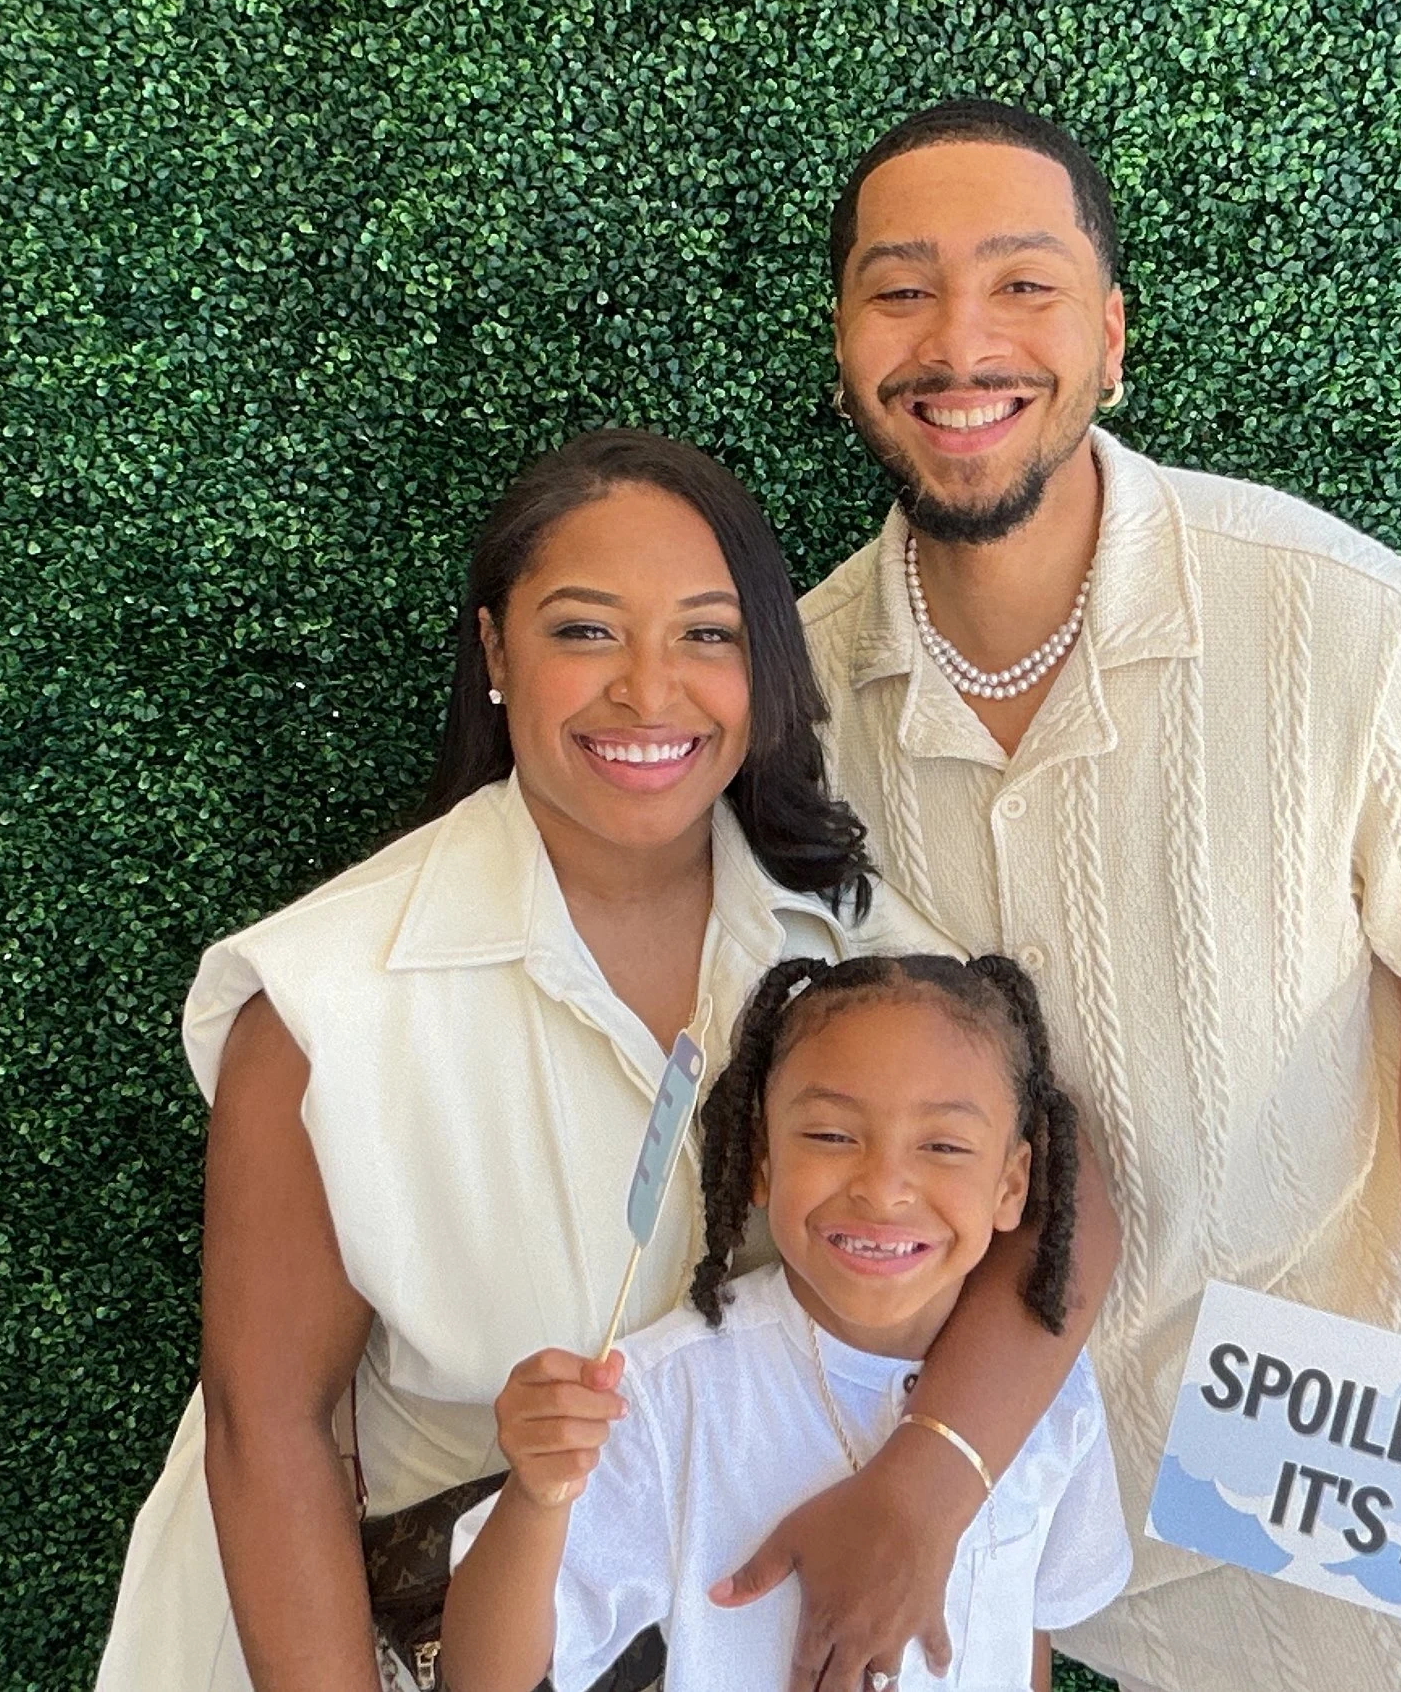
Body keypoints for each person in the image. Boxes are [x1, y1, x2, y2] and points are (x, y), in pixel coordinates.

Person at [745, 97, 1401, 1692]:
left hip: (1310, 1433)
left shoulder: (1336, 615)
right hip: (948, 1443)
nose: (961, 339)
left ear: (1111, 337)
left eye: (1023, 285)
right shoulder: (791, 697)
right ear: (844, 349)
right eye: (901, 289)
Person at [93, 428, 1115, 1692]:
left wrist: (932, 1481)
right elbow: (270, 1430)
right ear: (494, 655)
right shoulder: (328, 1003)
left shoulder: (850, 948)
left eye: (708, 634)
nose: (649, 690)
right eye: (585, 632)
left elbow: (1063, 1204)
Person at [439, 953, 1131, 1692]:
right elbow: (488, 1675)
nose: (884, 1188)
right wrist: (538, 1495)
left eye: (943, 1146)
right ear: (761, 1158)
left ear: (1011, 1184)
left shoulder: (1048, 1391)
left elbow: (1028, 1623)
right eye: (832, 1135)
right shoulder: (673, 1392)